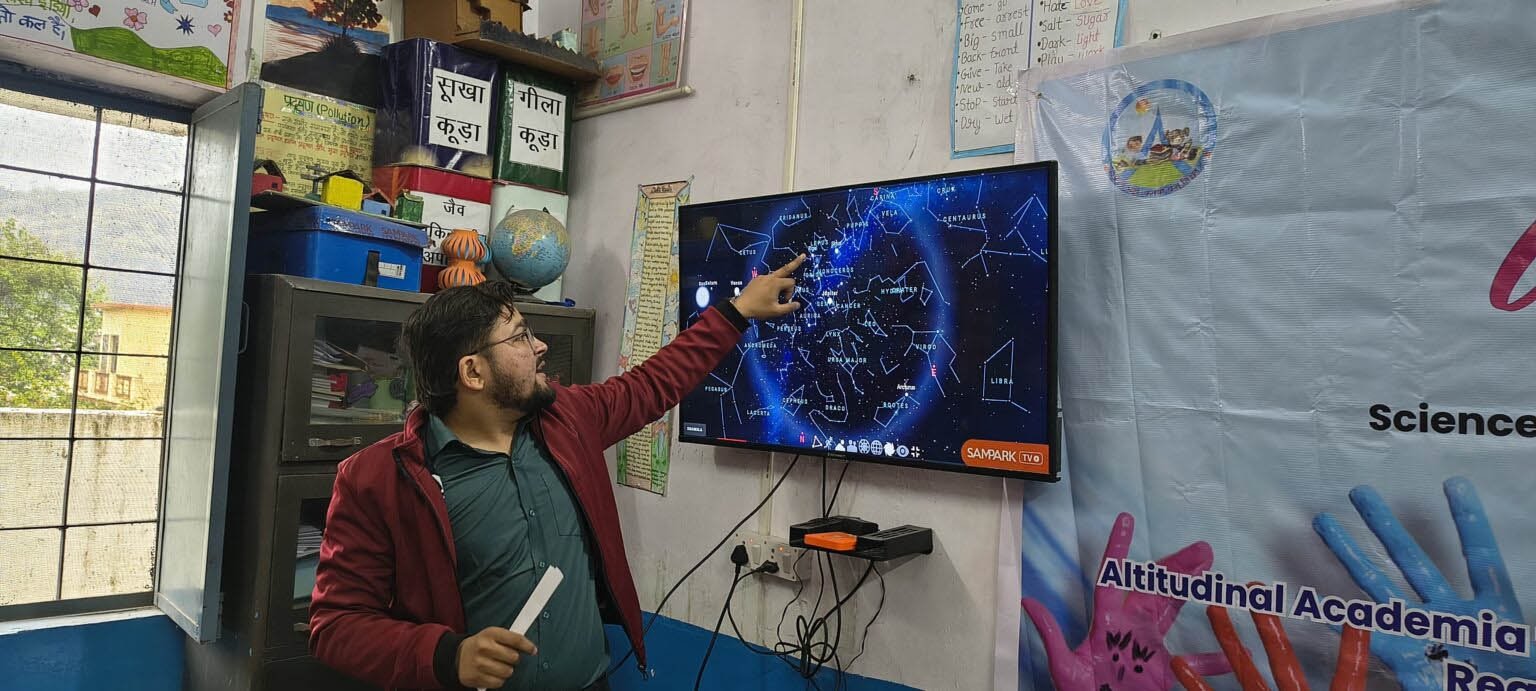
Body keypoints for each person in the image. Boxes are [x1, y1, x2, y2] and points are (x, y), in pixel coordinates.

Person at [309, 255, 807, 691]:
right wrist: (447, 656)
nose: (541, 346)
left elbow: (654, 383)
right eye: (520, 337)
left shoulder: (569, 421)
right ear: (473, 372)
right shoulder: (378, 479)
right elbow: (336, 626)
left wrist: (737, 312)